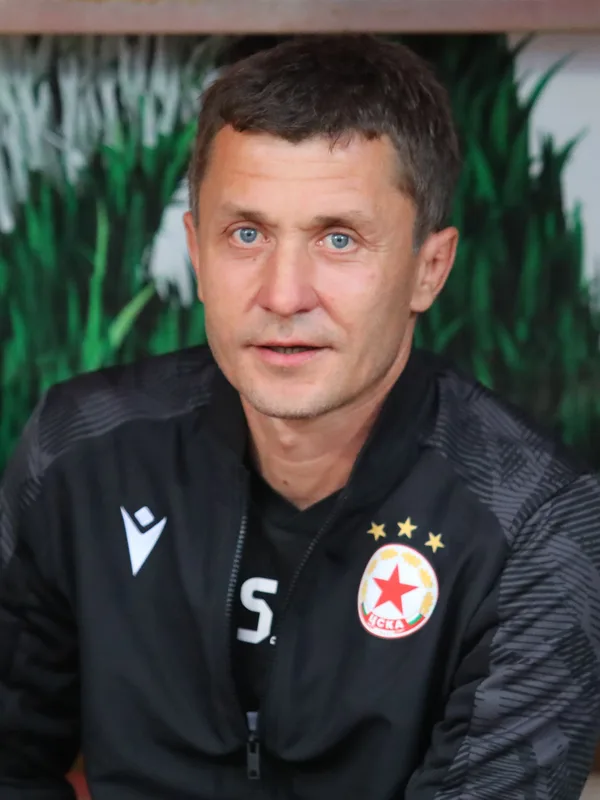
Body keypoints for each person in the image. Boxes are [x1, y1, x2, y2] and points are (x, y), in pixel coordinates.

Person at [1, 33, 599, 800]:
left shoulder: (537, 522)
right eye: (246, 234)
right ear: (196, 251)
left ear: (429, 268)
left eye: (339, 239)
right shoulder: (80, 448)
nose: (284, 295)